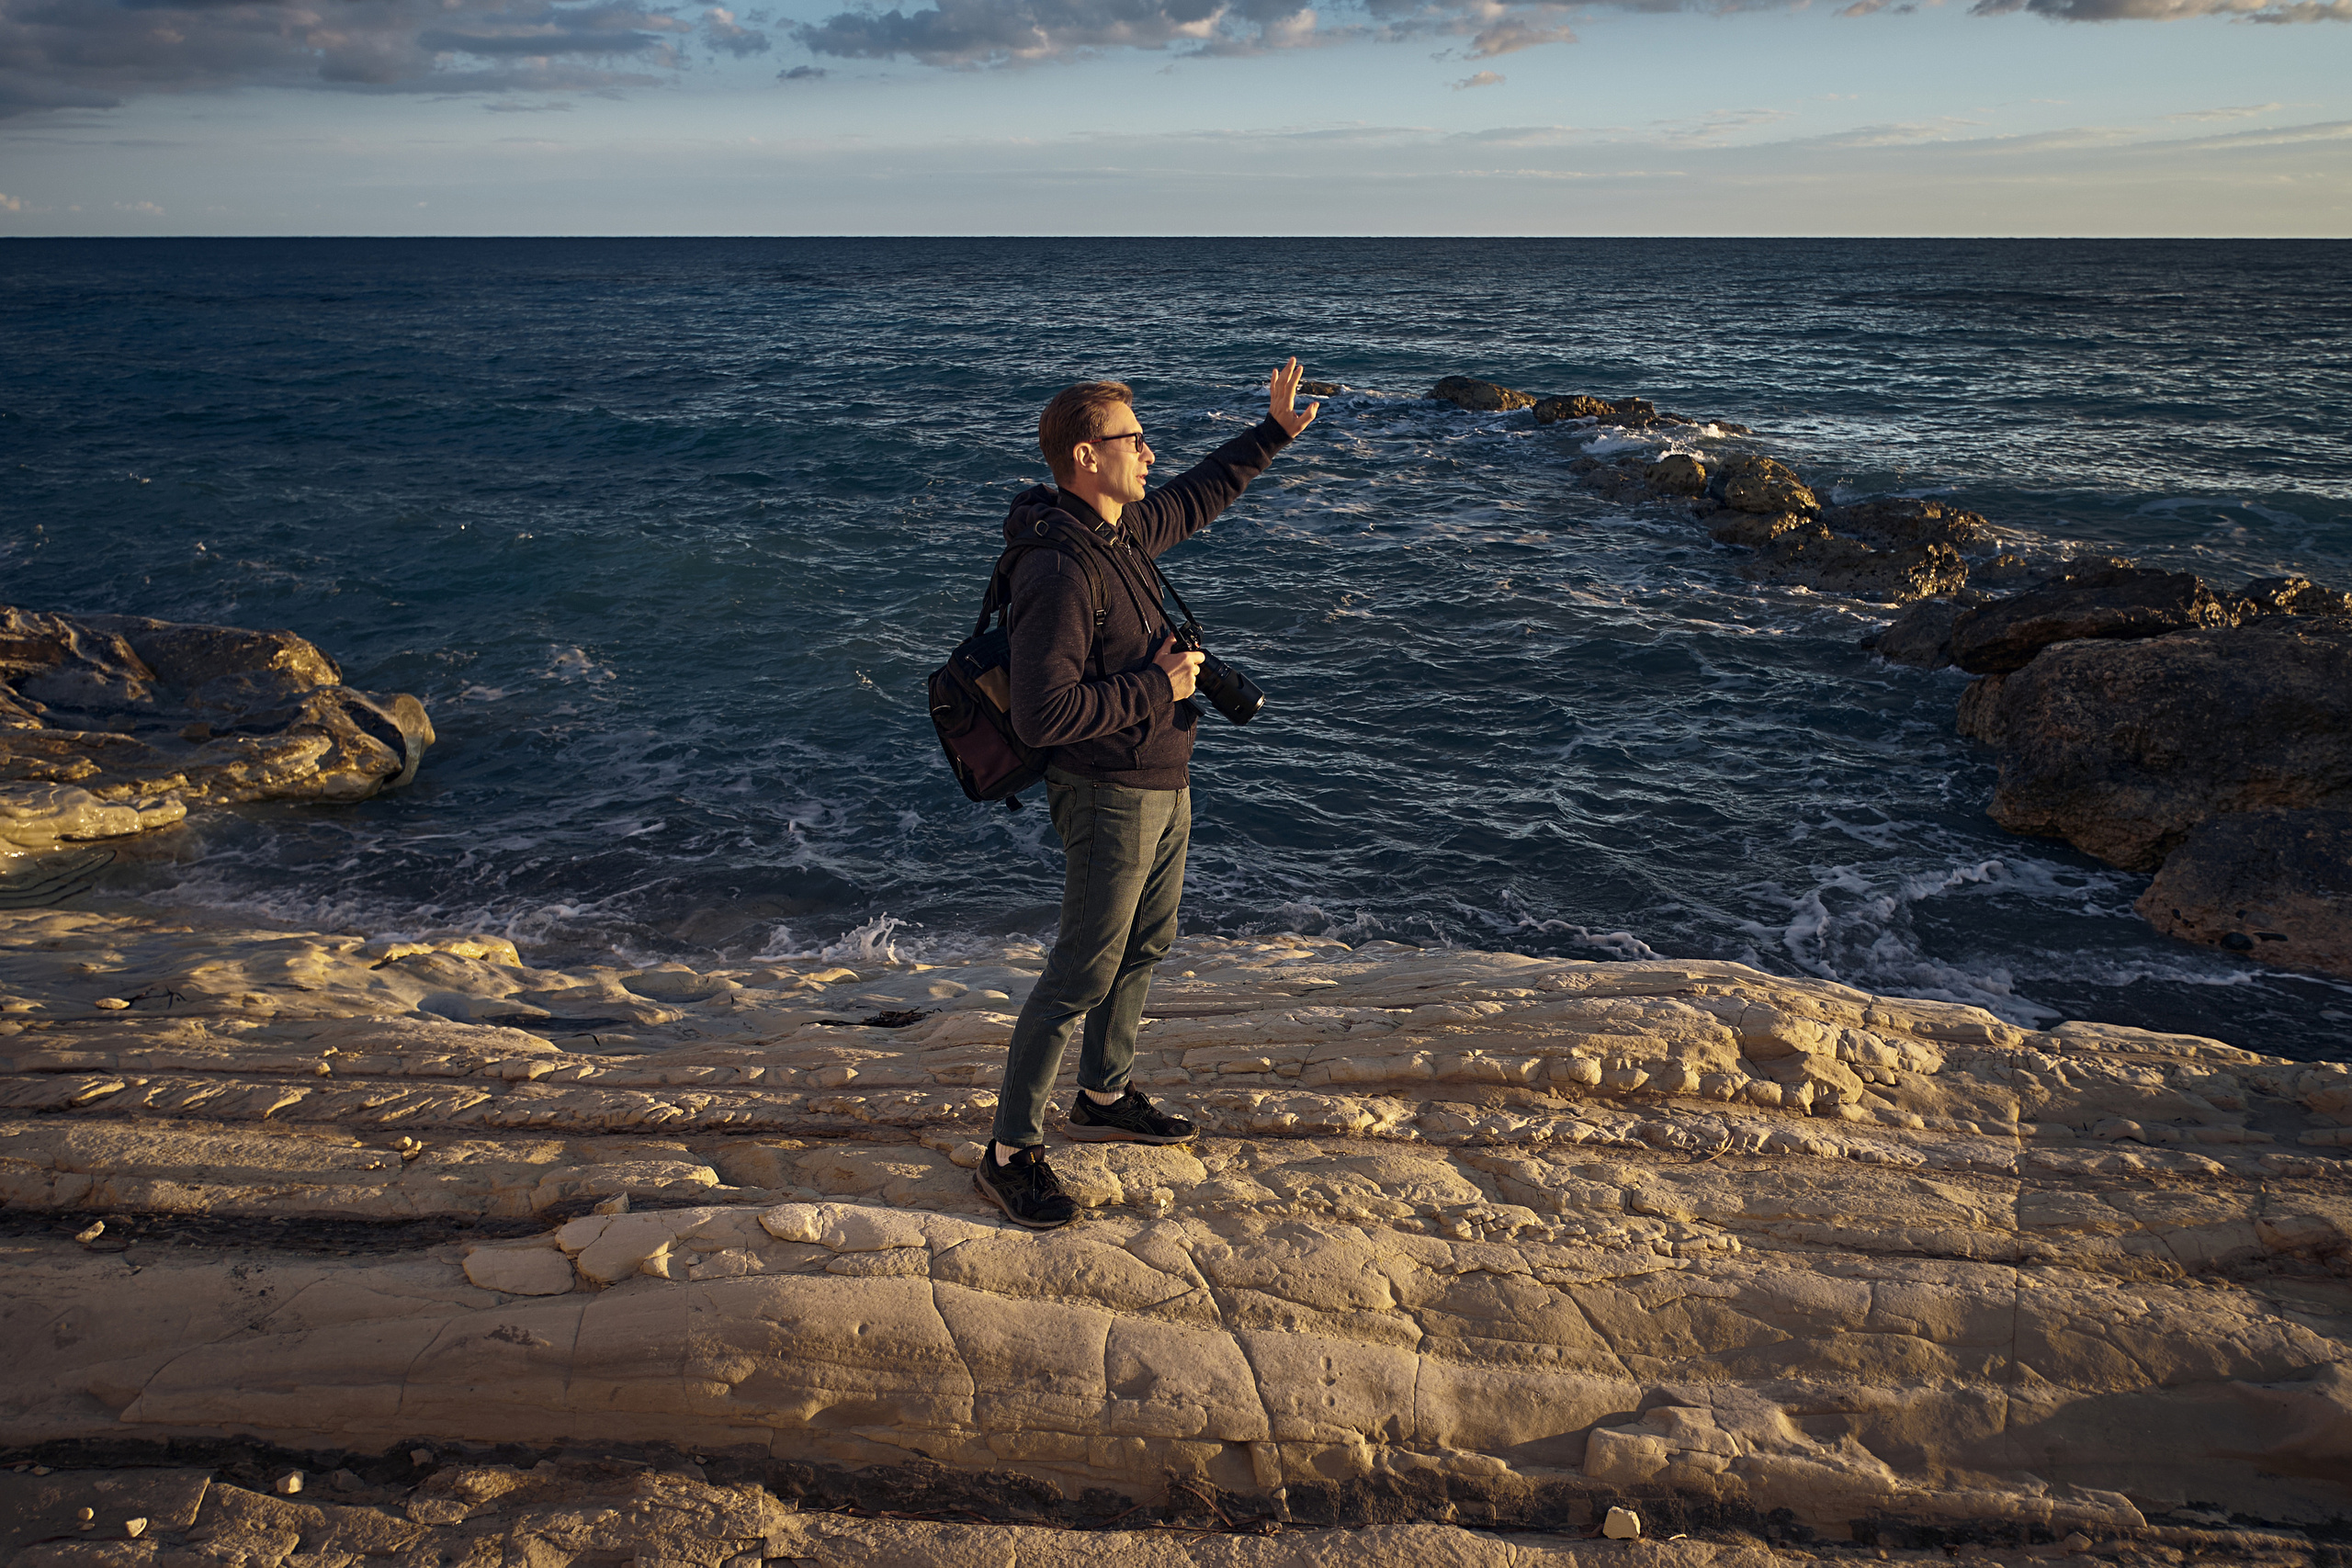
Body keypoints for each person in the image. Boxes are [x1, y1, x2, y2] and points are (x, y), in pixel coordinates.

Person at [973, 359, 1322, 1229]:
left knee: (1146, 943)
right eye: (1133, 440)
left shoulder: (1116, 533)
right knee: (1079, 971)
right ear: (1088, 457)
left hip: (1162, 778)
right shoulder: (1058, 566)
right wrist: (1157, 690)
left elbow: (1200, 494)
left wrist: (1272, 432)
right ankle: (1010, 1152)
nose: (1149, 451)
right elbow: (1042, 710)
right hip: (1104, 789)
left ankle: (1102, 1092)